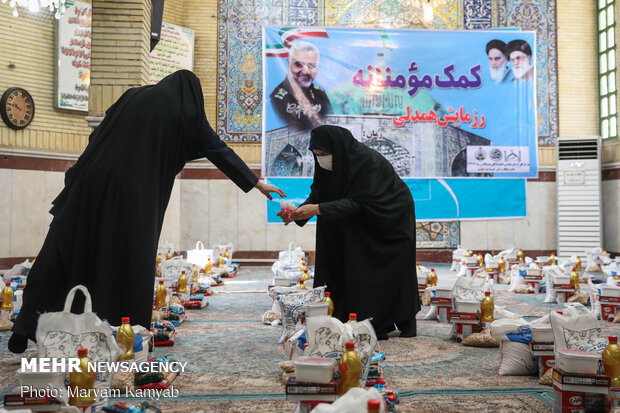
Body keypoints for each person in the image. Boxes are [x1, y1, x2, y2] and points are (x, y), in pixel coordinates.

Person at [8, 70, 285, 353]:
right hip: (133, 199)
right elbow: (219, 150)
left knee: (63, 253)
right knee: (123, 259)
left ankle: (27, 325)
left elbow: (99, 133)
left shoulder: (132, 96)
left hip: (88, 187)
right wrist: (257, 183)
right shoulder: (187, 111)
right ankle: (127, 336)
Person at [277, 125, 419, 340]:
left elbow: (360, 201)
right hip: (357, 221)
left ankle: (387, 321)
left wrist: (318, 209)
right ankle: (350, 316)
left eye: (324, 155)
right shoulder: (329, 163)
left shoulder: (367, 161)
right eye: (316, 155)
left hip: (388, 219)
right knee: (347, 265)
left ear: (338, 148)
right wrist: (299, 214)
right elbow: (319, 193)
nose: (321, 160)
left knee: (382, 269)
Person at [269, 41, 332, 131]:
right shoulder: (276, 99)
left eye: (311, 65)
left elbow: (330, 123)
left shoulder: (320, 93)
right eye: (299, 65)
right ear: (289, 64)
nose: (305, 71)